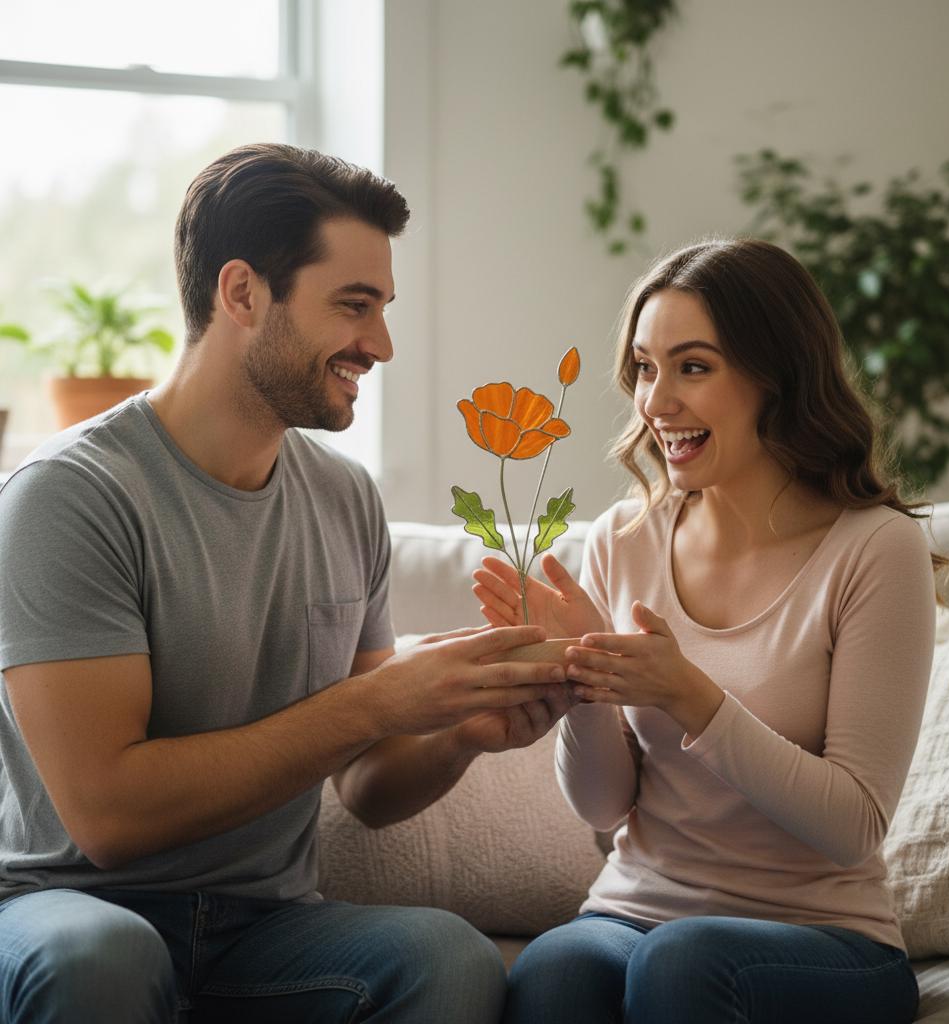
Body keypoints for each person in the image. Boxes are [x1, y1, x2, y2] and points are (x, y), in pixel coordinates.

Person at [0, 143, 574, 1024]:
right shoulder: (70, 498)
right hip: (66, 908)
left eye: (382, 309)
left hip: (263, 926)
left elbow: (368, 787)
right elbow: (107, 818)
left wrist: (460, 732)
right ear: (241, 294)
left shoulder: (344, 499)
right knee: (101, 958)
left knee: (446, 958)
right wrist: (377, 703)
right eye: (353, 307)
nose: (379, 345)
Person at [473, 238, 940, 1024]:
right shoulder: (623, 538)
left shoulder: (875, 547)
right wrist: (583, 680)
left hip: (824, 939)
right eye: (645, 369)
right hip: (633, 911)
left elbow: (854, 825)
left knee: (683, 963)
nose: (657, 403)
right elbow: (601, 808)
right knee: (556, 970)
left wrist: (691, 696)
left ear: (776, 377)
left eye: (693, 367)